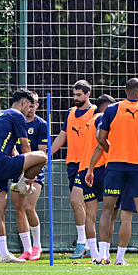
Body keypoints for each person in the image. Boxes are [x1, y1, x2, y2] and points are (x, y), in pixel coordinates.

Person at [86, 78, 138, 265]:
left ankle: (103, 255)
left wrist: (110, 150)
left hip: (114, 167)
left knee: (106, 210)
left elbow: (100, 137)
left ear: (125, 91)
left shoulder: (112, 109)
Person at [0, 89, 49, 263]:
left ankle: (3, 254)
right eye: (29, 106)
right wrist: (27, 177)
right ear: (24, 103)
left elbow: (11, 148)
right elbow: (26, 149)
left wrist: (20, 167)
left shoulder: (1, 116)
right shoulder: (17, 116)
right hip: (1, 164)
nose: (29, 111)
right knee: (42, 157)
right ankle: (23, 183)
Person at [51, 80, 96, 259]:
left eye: (79, 95)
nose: (75, 98)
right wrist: (47, 155)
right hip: (72, 163)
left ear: (88, 95)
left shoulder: (96, 112)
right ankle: (90, 243)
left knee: (75, 199)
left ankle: (82, 242)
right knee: (81, 204)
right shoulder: (70, 113)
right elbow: (63, 136)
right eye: (74, 94)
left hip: (87, 164)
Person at [75, 94, 117, 262]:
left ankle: (94, 255)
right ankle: (104, 254)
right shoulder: (103, 118)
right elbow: (101, 139)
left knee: (90, 215)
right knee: (110, 214)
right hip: (102, 169)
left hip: (85, 168)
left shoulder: (89, 121)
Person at [11, 91, 49, 261]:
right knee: (18, 209)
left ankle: (37, 246)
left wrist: (29, 171)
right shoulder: (13, 121)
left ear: (37, 106)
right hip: (15, 168)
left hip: (34, 171)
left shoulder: (41, 125)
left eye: (33, 106)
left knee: (28, 207)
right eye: (28, 106)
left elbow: (41, 153)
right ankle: (26, 249)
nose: (30, 109)